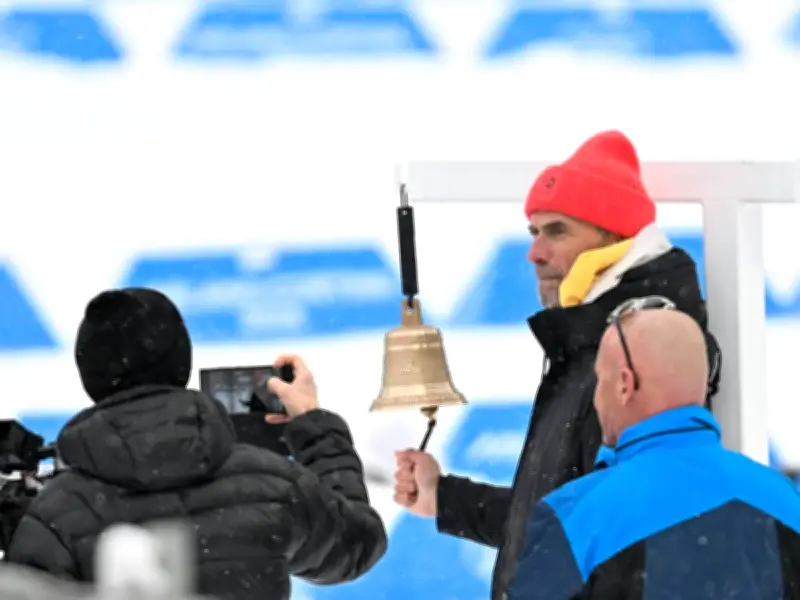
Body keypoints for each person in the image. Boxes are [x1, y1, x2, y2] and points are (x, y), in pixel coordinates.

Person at [393, 130, 722, 600]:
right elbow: (563, 520)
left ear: (611, 237)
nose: (534, 252)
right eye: (533, 231)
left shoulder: (643, 347)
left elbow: (626, 544)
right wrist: (446, 499)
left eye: (557, 230)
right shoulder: (588, 341)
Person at [5, 287, 387, 600]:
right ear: (181, 363)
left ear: (90, 378)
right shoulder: (270, 483)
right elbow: (358, 544)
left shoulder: (58, 511)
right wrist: (313, 425)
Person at [508, 299, 800, 599]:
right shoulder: (784, 500)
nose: (596, 398)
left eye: (600, 381)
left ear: (624, 385)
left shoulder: (578, 514)